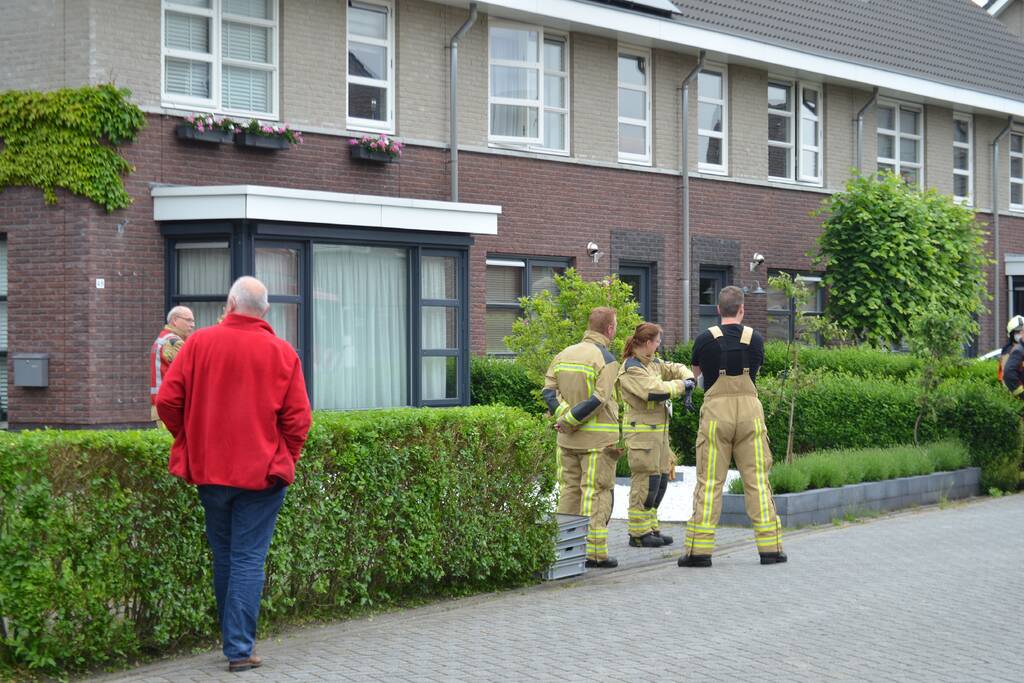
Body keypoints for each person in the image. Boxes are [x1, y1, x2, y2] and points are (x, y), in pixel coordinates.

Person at [156, 277, 312, 672]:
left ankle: (234, 643)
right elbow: (298, 419)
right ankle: (239, 649)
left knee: (225, 556)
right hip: (262, 476)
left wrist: (190, 439)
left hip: (211, 472)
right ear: (265, 312)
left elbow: (169, 400)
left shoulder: (199, 344)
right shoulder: (281, 352)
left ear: (229, 303)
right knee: (246, 559)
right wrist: (284, 456)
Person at [680, 285, 785, 567]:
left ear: (717, 310)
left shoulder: (704, 338)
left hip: (716, 416)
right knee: (757, 481)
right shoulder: (756, 339)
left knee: (710, 483)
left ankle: (699, 552)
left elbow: (696, 377)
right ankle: (770, 549)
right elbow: (756, 372)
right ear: (741, 310)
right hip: (750, 414)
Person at [542, 307, 622, 568]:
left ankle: (564, 547)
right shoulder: (606, 359)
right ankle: (594, 552)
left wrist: (564, 418)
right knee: (596, 492)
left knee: (569, 490)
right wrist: (572, 420)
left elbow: (548, 392)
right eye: (615, 325)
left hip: (566, 439)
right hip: (598, 442)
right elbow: (600, 399)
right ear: (609, 328)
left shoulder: (563, 354)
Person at [617, 322, 694, 548]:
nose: (659, 344)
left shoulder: (653, 363)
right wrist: (682, 386)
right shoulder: (632, 368)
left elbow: (678, 367)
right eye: (658, 340)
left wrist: (688, 378)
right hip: (642, 435)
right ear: (648, 343)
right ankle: (637, 534)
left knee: (659, 482)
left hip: (659, 434)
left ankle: (651, 527)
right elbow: (654, 392)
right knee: (645, 482)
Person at [149, 306, 195, 423]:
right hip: (170, 405)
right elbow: (191, 372)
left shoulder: (164, 338)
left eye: (193, 321)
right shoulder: (174, 342)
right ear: (175, 320)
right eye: (189, 320)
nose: (193, 325)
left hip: (162, 403)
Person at [999, 315, 1024, 385]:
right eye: (1017, 332)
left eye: (1022, 331)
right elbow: (1006, 375)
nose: (1020, 334)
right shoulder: (1008, 351)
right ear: (1011, 334)